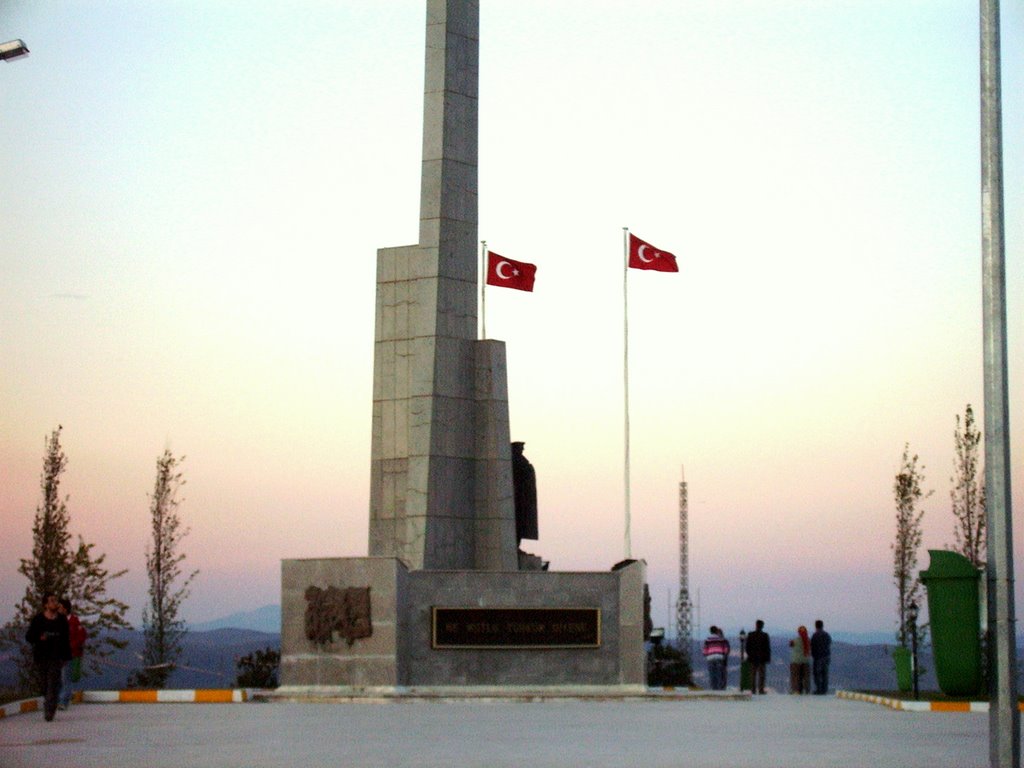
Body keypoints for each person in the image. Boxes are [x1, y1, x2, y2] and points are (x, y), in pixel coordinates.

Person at [25, 593, 71, 721]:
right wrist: (39, 637)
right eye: (51, 601)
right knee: (44, 685)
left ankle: (49, 711)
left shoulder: (62, 620)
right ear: (45, 604)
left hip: (56, 657)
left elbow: (66, 639)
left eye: (55, 600)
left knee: (52, 684)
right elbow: (29, 637)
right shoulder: (38, 620)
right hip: (41, 657)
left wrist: (66, 657)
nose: (55, 603)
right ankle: (50, 702)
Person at [58, 598, 86, 710]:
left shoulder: (74, 621)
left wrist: (72, 647)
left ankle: (63, 701)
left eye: (60, 607)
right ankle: (64, 696)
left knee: (66, 678)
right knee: (58, 678)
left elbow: (81, 636)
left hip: (71, 654)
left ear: (65, 609)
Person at [746, 619, 770, 694]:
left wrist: (750, 654)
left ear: (756, 625)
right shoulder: (765, 635)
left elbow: (747, 647)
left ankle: (753, 690)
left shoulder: (750, 634)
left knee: (752, 675)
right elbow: (767, 648)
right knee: (761, 675)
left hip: (752, 657)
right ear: (762, 626)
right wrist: (767, 658)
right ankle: (761, 689)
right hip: (762, 658)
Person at [702, 625, 731, 690]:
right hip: (719, 657)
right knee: (719, 674)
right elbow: (726, 648)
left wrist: (706, 654)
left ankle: (713, 688)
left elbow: (704, 650)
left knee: (712, 674)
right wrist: (724, 655)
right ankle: (720, 689)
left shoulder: (707, 639)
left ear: (710, 631)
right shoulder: (722, 639)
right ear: (716, 631)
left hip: (710, 657)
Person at [810, 619, 832, 695]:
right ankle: (824, 690)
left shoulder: (815, 635)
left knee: (817, 674)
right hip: (826, 656)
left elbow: (812, 646)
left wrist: (813, 655)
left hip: (818, 657)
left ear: (816, 626)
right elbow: (829, 643)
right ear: (822, 625)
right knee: (825, 674)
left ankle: (819, 690)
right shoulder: (827, 635)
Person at [789, 626, 811, 694]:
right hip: (806, 661)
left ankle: (796, 690)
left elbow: (791, 645)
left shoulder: (795, 640)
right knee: (805, 678)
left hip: (796, 661)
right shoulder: (808, 640)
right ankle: (807, 690)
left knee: (796, 677)